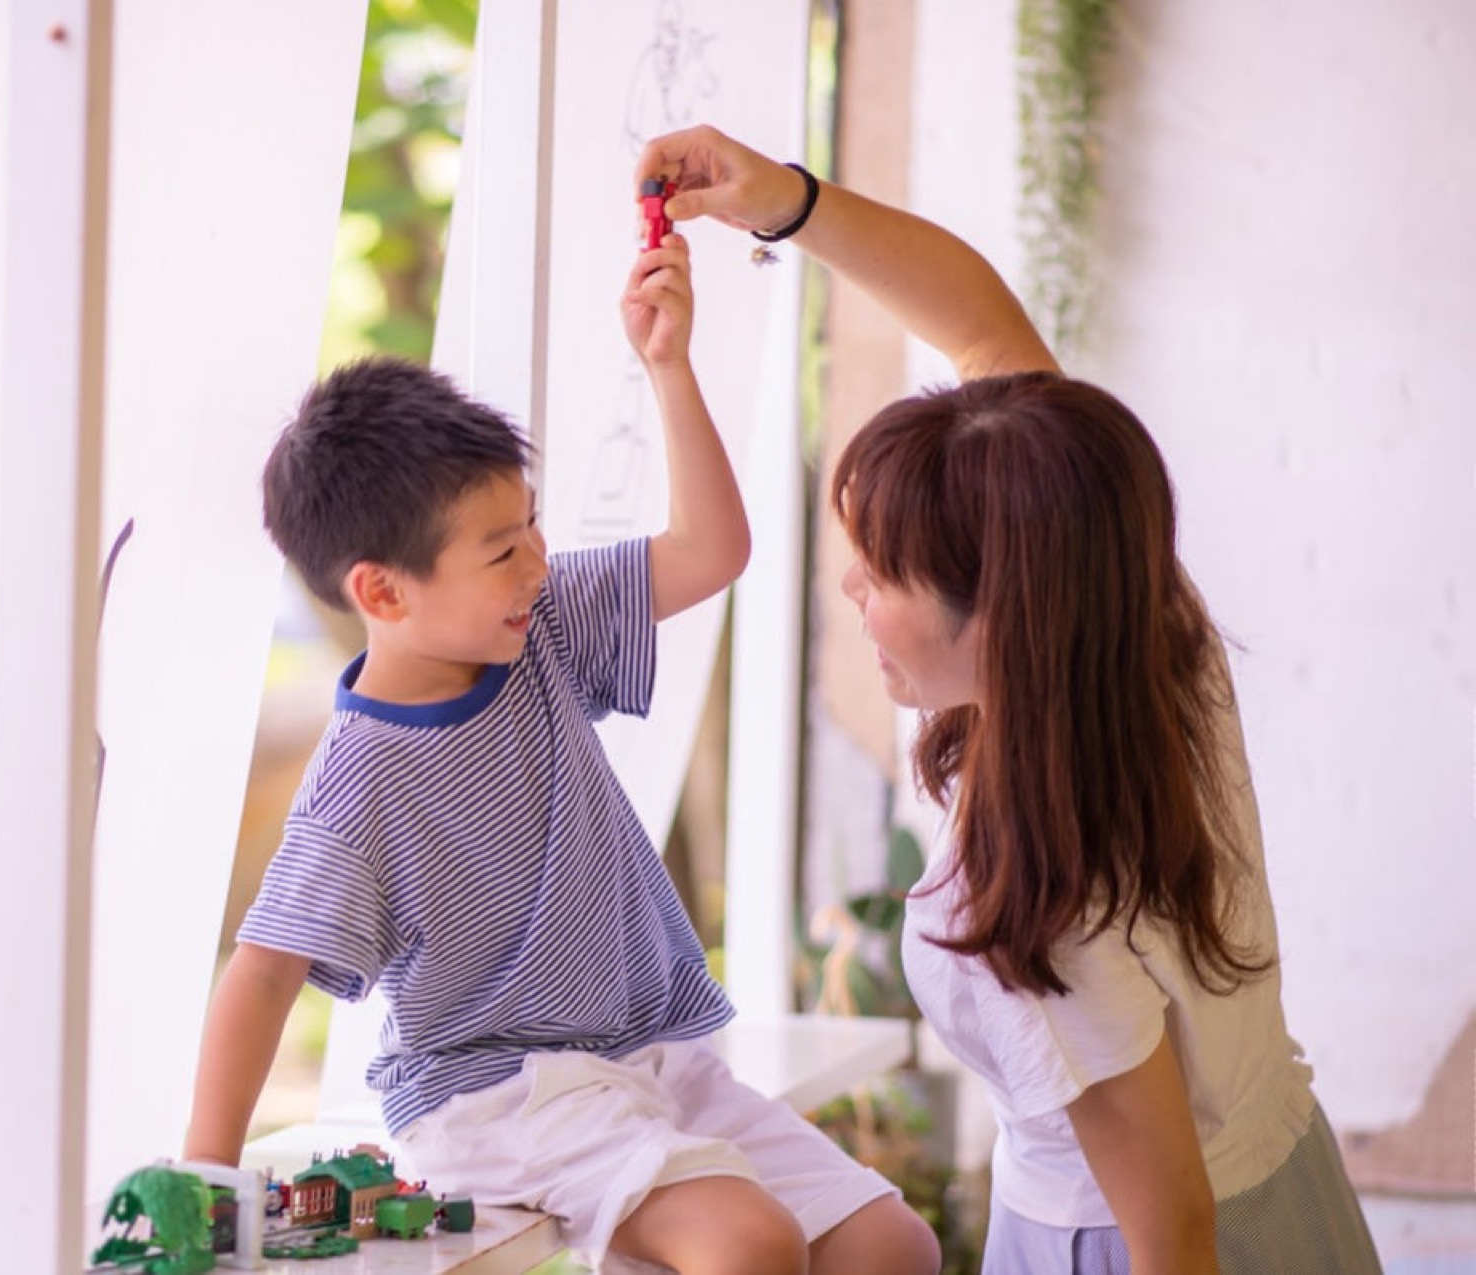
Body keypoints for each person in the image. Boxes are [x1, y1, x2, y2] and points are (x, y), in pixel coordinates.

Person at [633, 124, 1384, 1274]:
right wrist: (778, 198)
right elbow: (982, 325)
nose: (850, 588)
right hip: (1293, 1191)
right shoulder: (1145, 626)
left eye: (881, 576)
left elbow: (1172, 1228)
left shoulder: (1032, 898)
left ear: (1003, 615)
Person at [181, 233, 942, 1275]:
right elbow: (263, 974)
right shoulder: (357, 786)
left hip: (651, 1061)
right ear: (382, 593)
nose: (537, 560)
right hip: (499, 1098)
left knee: (891, 1246)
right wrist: (208, 1183)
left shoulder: (542, 624)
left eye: (531, 528)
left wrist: (668, 367)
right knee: (748, 1246)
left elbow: (713, 550)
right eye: (501, 550)